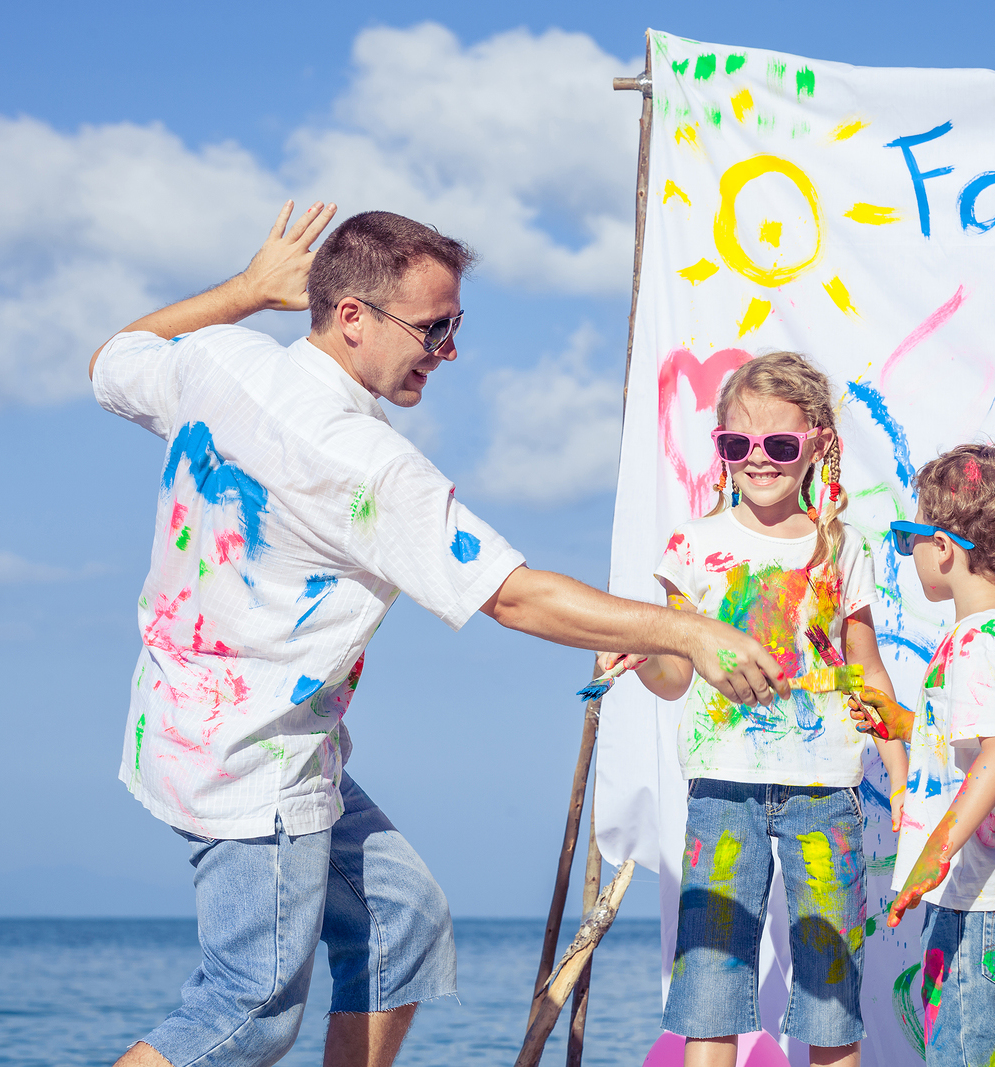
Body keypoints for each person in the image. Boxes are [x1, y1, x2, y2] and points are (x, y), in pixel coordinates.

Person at [87, 201, 790, 1067]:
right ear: (352, 317)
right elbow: (515, 597)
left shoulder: (221, 359)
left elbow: (113, 356)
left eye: (456, 325)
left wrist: (241, 291)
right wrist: (686, 629)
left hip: (195, 730)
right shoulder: (364, 463)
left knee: (403, 925)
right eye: (433, 327)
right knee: (249, 1007)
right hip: (250, 771)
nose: (448, 350)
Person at [598, 352, 909, 1067]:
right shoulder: (693, 547)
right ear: (723, 450)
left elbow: (867, 671)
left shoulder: (842, 548)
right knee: (710, 982)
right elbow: (676, 676)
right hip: (721, 791)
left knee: (831, 991)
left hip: (826, 795)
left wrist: (899, 773)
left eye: (779, 444)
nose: (757, 459)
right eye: (738, 445)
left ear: (819, 445)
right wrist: (639, 650)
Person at [851, 442, 995, 1067]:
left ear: (943, 546)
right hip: (989, 888)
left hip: (980, 890)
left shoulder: (977, 641)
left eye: (906, 535)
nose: (906, 551)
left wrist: (933, 855)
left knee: (965, 1052)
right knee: (966, 1046)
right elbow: (972, 739)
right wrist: (907, 725)